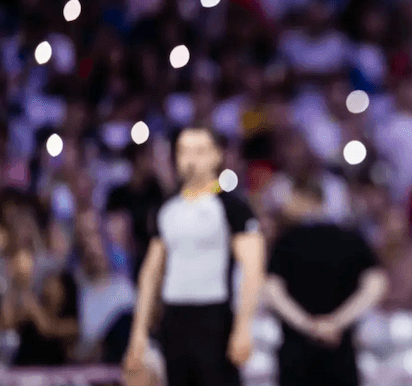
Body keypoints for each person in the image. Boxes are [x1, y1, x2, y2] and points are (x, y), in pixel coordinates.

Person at [122, 126, 265, 386]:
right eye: (184, 151)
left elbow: (253, 268)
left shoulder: (233, 208)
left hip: (214, 317)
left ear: (216, 156)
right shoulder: (167, 209)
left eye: (200, 151)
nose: (191, 159)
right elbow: (151, 273)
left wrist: (244, 326)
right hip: (174, 317)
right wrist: (138, 333)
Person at [265, 177, 389, 386]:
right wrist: (336, 322)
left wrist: (308, 325)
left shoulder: (286, 241)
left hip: (297, 353)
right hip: (340, 349)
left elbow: (271, 290)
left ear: (306, 199)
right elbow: (376, 285)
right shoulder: (352, 239)